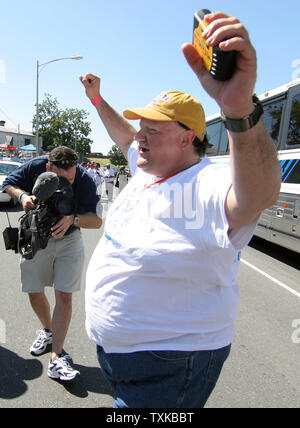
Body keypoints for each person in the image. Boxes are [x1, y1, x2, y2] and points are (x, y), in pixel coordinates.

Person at [80, 11, 281, 407]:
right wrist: (97, 99)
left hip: (171, 366)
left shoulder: (207, 181)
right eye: (142, 129)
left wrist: (239, 110)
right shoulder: (148, 166)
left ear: (188, 138)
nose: (140, 138)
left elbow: (257, 196)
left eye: (152, 131)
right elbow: (122, 133)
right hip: (125, 360)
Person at [2, 146, 102, 381]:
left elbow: (97, 221)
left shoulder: (85, 179)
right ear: (48, 168)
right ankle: (47, 330)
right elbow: (8, 183)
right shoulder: (36, 165)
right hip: (36, 236)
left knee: (64, 294)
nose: (67, 181)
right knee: (33, 290)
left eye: (71, 176)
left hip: (69, 240)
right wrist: (22, 196)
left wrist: (73, 218)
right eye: (60, 177)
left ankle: (56, 357)